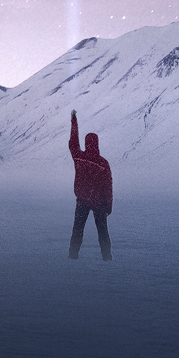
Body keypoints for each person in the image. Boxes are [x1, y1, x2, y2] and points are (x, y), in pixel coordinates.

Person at [67, 110, 112, 261]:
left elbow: (73, 142)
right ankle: (107, 258)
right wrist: (108, 206)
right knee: (103, 232)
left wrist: (74, 121)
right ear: (97, 143)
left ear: (86, 143)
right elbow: (108, 187)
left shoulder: (80, 158)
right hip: (99, 202)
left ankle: (72, 257)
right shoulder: (103, 163)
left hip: (82, 201)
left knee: (77, 231)